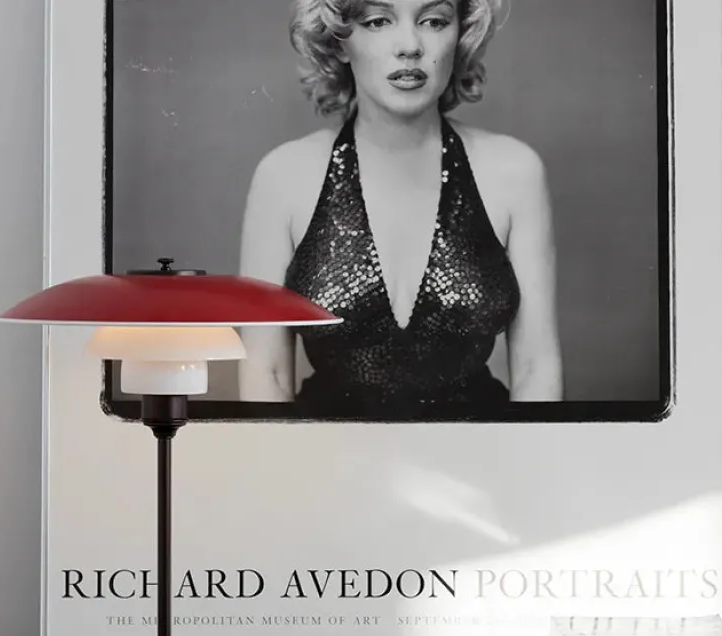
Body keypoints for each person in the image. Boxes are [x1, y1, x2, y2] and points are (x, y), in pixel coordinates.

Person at [238, 0, 562, 418]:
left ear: (460, 34)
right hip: (323, 453)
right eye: (378, 21)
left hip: (482, 452)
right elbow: (266, 374)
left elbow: (537, 370)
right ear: (339, 40)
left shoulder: (515, 172)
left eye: (434, 21)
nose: (410, 45)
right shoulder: (282, 177)